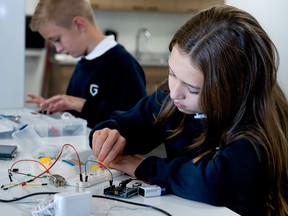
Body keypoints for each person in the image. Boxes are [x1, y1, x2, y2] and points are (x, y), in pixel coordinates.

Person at [89, 5, 288, 216]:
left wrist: (145, 166)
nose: (174, 93)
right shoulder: (174, 99)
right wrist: (109, 135)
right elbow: (128, 124)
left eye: (193, 88)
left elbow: (213, 182)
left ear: (232, 90)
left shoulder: (256, 127)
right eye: (172, 73)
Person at [26, 0, 147, 128]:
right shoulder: (84, 61)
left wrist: (81, 104)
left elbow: (137, 121)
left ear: (79, 25)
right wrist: (57, 108)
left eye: (57, 40)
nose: (58, 48)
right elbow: (80, 115)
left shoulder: (124, 65)